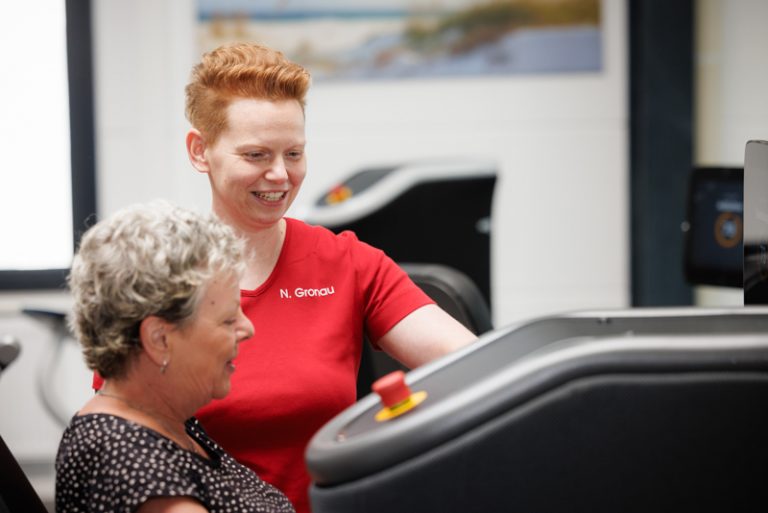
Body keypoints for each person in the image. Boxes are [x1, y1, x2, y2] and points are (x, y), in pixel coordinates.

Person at [183, 42, 478, 513]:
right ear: (201, 151)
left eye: (294, 153)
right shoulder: (160, 278)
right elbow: (122, 431)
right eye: (256, 155)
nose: (280, 175)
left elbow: (473, 366)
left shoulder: (347, 263)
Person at [58, 202, 295, 513]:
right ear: (159, 339)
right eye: (228, 320)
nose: (247, 328)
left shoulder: (169, 423)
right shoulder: (130, 460)